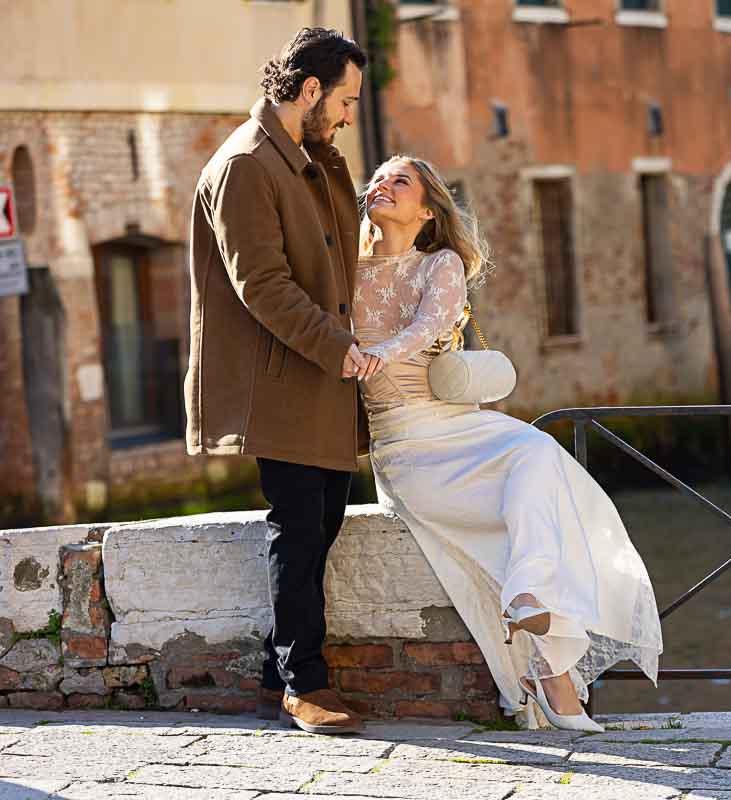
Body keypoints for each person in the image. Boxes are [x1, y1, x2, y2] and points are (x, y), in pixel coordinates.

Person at [352, 155, 663, 731]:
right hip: (402, 446)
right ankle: (552, 679)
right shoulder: (341, 268)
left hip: (458, 425)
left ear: (426, 210)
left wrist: (378, 352)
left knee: (538, 452)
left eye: (401, 181)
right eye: (377, 178)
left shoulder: (440, 263)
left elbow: (431, 322)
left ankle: (528, 600)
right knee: (518, 511)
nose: (382, 186)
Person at [185, 27, 370, 735]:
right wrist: (339, 347)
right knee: (297, 530)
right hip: (283, 382)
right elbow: (261, 284)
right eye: (346, 100)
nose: (350, 116)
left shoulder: (309, 161)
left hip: (321, 378)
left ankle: (276, 671)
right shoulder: (245, 165)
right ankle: (305, 687)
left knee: (321, 525)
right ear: (311, 89)